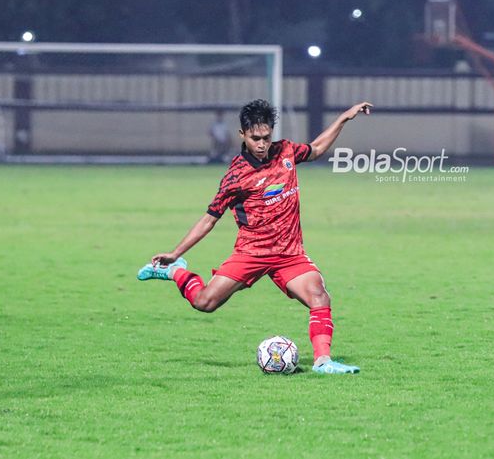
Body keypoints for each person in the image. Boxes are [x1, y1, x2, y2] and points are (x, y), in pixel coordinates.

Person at [137, 99, 372, 374]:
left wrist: (344, 117)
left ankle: (323, 362)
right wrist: (176, 253)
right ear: (242, 135)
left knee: (320, 297)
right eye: (255, 138)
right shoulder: (236, 176)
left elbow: (317, 148)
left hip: (289, 254)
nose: (261, 144)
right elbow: (209, 219)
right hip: (251, 253)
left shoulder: (285, 151)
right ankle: (176, 273)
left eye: (266, 137)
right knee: (204, 303)